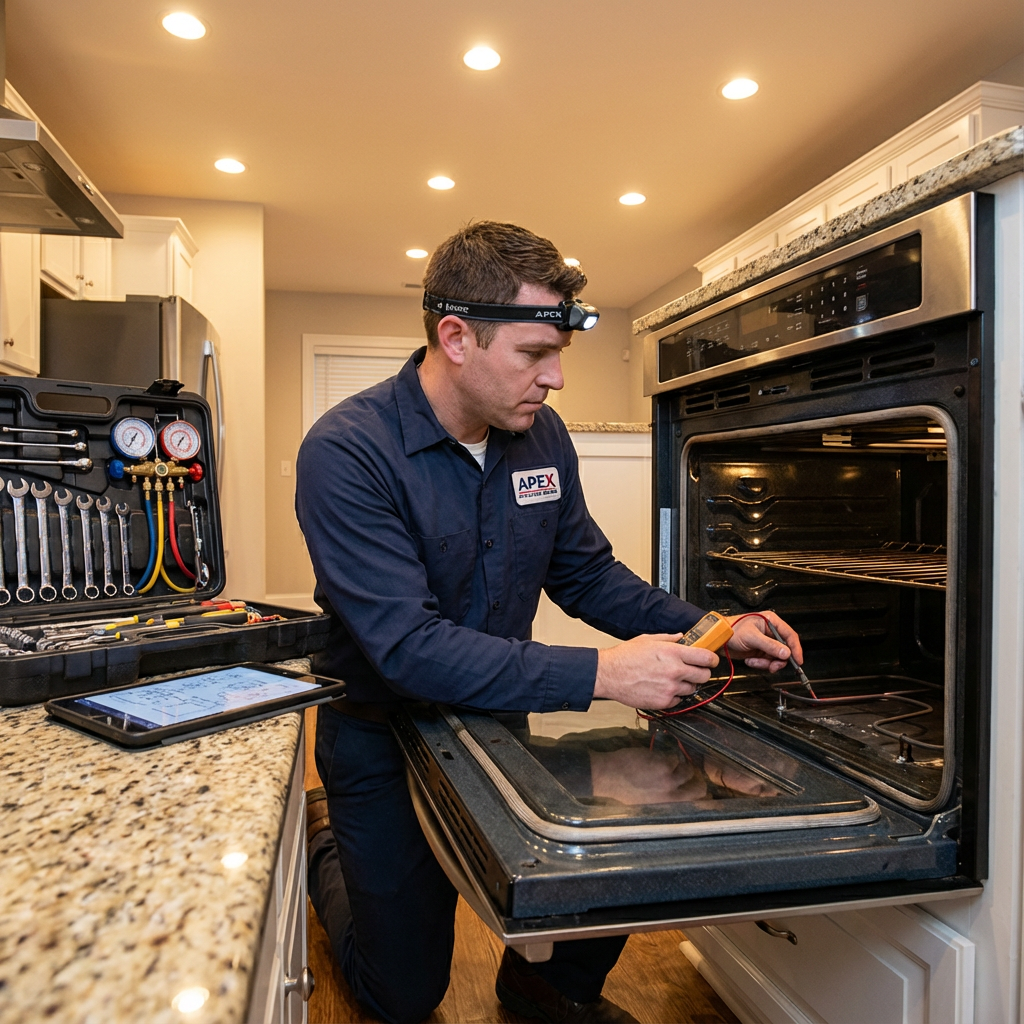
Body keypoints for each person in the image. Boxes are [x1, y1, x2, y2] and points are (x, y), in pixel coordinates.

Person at [295, 220, 804, 1024]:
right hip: (382, 734)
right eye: (536, 355)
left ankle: (544, 985)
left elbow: (586, 574)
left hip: (500, 717)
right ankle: (327, 846)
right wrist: (607, 673)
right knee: (403, 994)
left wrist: (712, 623)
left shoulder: (541, 439)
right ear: (455, 337)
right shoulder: (347, 451)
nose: (557, 380)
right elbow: (406, 649)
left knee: (645, 810)